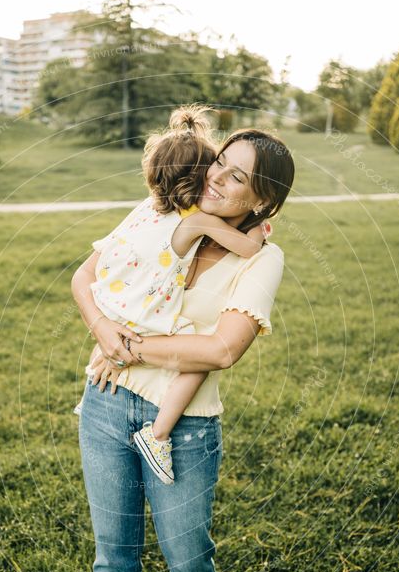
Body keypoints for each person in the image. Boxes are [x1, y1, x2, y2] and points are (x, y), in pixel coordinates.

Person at [71, 122, 295, 572]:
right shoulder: (165, 209)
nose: (217, 177)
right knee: (113, 548)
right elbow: (87, 277)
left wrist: (130, 343)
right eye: (219, 163)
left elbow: (221, 350)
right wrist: (102, 331)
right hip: (105, 401)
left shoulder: (263, 258)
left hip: (187, 423)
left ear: (262, 201)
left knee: (186, 549)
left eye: (237, 176)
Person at [86, 105, 270, 485]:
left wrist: (108, 334)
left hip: (116, 300)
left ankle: (152, 428)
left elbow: (90, 270)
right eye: (213, 169)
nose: (215, 180)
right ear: (199, 177)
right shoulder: (197, 220)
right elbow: (249, 248)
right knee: (197, 345)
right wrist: (257, 231)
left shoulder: (149, 209)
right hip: (145, 312)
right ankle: (159, 434)